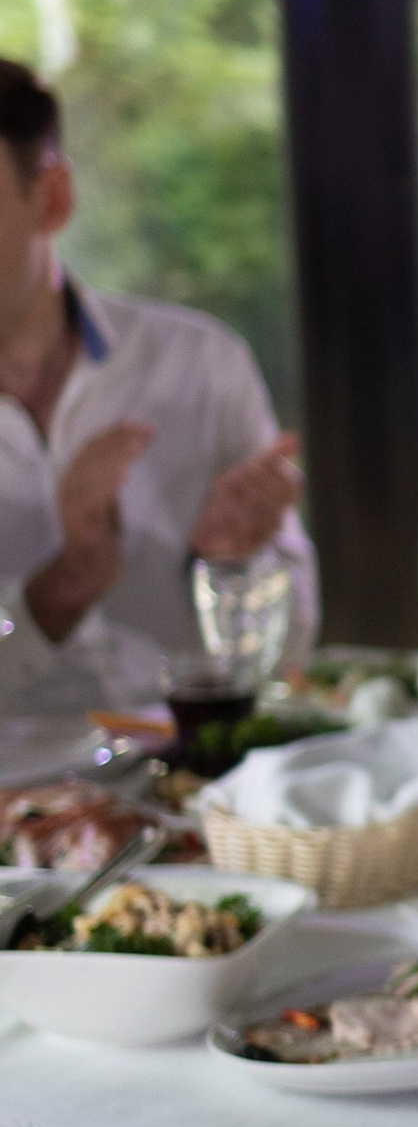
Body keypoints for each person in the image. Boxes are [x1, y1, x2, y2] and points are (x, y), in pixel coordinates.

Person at [0, 59, 311, 708]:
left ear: (52, 198)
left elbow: (296, 654)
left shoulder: (200, 366)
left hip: (187, 764)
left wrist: (229, 566)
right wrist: (63, 586)